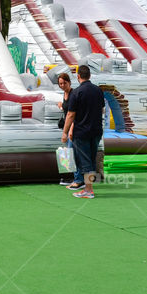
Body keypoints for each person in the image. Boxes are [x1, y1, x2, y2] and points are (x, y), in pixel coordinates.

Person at [63, 65, 104, 199]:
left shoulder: (77, 92)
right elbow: (102, 110)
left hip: (82, 131)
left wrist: (65, 132)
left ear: (78, 76)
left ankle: (88, 190)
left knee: (84, 160)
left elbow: (70, 114)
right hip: (96, 130)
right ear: (89, 76)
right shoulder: (98, 90)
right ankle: (88, 187)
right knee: (91, 159)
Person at [55, 73, 78, 187]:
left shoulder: (73, 94)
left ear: (69, 82)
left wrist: (70, 130)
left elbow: (74, 113)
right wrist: (60, 105)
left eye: (64, 83)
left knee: (70, 151)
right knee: (67, 151)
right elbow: (66, 109)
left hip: (72, 127)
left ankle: (75, 178)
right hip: (66, 126)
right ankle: (70, 176)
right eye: (60, 83)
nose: (62, 85)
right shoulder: (64, 94)